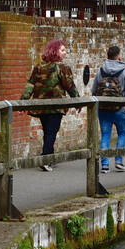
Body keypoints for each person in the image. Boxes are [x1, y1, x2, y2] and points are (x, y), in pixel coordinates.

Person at [22, 39, 78, 171]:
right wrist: (78, 102)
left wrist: (23, 102)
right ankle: (45, 159)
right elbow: (70, 86)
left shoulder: (38, 67)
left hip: (40, 106)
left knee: (48, 131)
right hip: (56, 106)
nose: (65, 53)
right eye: (62, 50)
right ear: (55, 51)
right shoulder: (62, 68)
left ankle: (49, 158)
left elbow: (30, 85)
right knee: (51, 132)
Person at [92, 45, 125, 173]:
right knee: (122, 133)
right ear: (119, 56)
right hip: (119, 109)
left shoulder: (101, 70)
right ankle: (118, 161)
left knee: (105, 135)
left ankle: (104, 165)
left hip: (103, 109)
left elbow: (94, 90)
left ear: (107, 56)